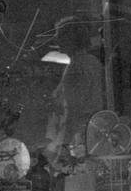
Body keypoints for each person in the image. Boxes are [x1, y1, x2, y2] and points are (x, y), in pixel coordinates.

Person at [44, 16, 105, 161]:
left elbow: (73, 107)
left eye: (60, 36)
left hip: (78, 134)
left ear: (71, 39)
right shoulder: (91, 62)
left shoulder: (78, 66)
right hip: (92, 129)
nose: (57, 40)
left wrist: (59, 143)